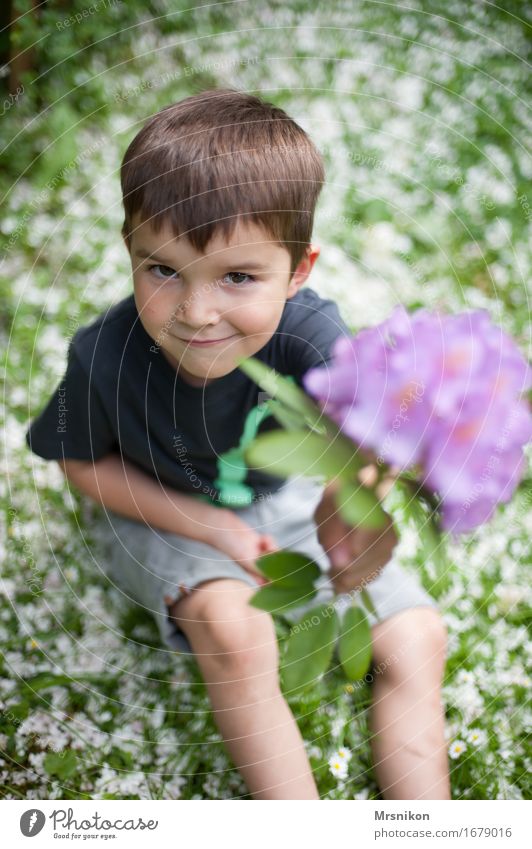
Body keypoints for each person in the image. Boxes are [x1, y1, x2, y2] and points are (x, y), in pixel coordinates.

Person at [26, 88, 450, 800]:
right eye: (162, 269)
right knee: (234, 632)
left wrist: (354, 505)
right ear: (129, 248)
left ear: (300, 270)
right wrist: (210, 525)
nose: (196, 312)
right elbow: (80, 463)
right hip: (161, 509)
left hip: (286, 502)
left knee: (417, 636)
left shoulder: (312, 336)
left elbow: (371, 431)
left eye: (239, 277)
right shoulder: (103, 355)